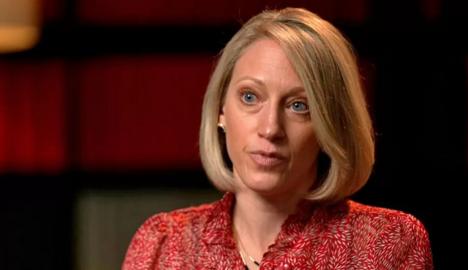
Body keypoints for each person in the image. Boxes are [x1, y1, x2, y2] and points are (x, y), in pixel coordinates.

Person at [122, 7, 432, 270]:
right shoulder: (162, 244)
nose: (270, 128)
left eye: (299, 106)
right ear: (221, 110)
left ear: (330, 124)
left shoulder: (386, 243)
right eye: (249, 97)